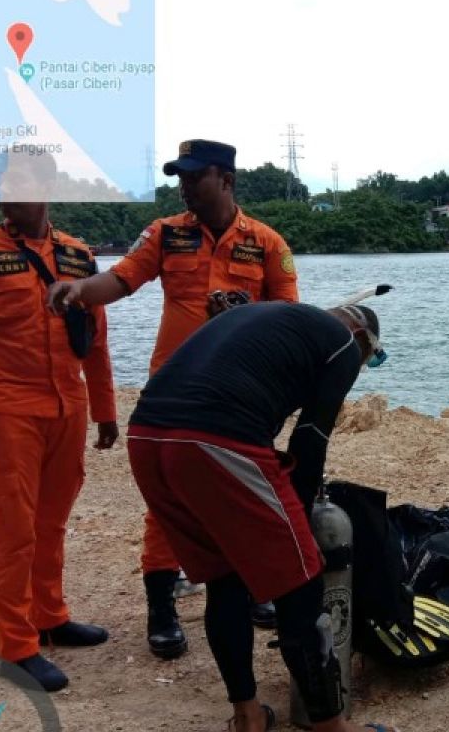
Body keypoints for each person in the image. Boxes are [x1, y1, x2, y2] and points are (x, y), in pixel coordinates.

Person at [47, 139, 300, 658]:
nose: (182, 185)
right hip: (174, 388)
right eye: (179, 176)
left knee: (242, 492)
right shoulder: (165, 233)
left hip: (241, 392)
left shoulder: (268, 243)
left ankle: (253, 589)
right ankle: (161, 604)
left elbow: (289, 319)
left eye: (193, 176)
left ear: (225, 179)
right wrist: (78, 290)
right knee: (168, 498)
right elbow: (120, 280)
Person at [125, 301, 396, 732]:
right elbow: (310, 439)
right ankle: (332, 728)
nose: (360, 368)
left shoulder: (278, 320)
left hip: (146, 436)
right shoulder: (344, 345)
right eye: (369, 360)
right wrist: (300, 524)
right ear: (362, 339)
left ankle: (247, 716)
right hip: (214, 439)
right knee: (301, 585)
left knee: (225, 577)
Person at [0, 149, 119, 691]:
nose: (6, 190)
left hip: (67, 407)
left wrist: (106, 409)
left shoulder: (77, 255)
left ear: (48, 184)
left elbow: (97, 340)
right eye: (0, 181)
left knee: (52, 523)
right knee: (14, 531)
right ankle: (17, 646)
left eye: (18, 179)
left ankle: (51, 617)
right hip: (6, 412)